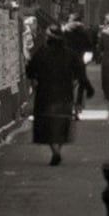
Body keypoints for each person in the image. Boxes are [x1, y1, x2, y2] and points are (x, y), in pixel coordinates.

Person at [25, 24, 93, 166]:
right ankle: (58, 150)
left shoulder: (41, 52)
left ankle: (54, 150)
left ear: (48, 38)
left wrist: (35, 74)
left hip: (45, 95)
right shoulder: (70, 53)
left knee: (47, 125)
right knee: (62, 124)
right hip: (64, 94)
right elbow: (81, 72)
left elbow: (30, 71)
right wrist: (88, 87)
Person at [61, 12, 91, 117]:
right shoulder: (83, 32)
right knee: (81, 84)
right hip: (80, 61)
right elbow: (89, 47)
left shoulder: (64, 32)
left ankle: (68, 107)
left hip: (66, 61)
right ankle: (77, 107)